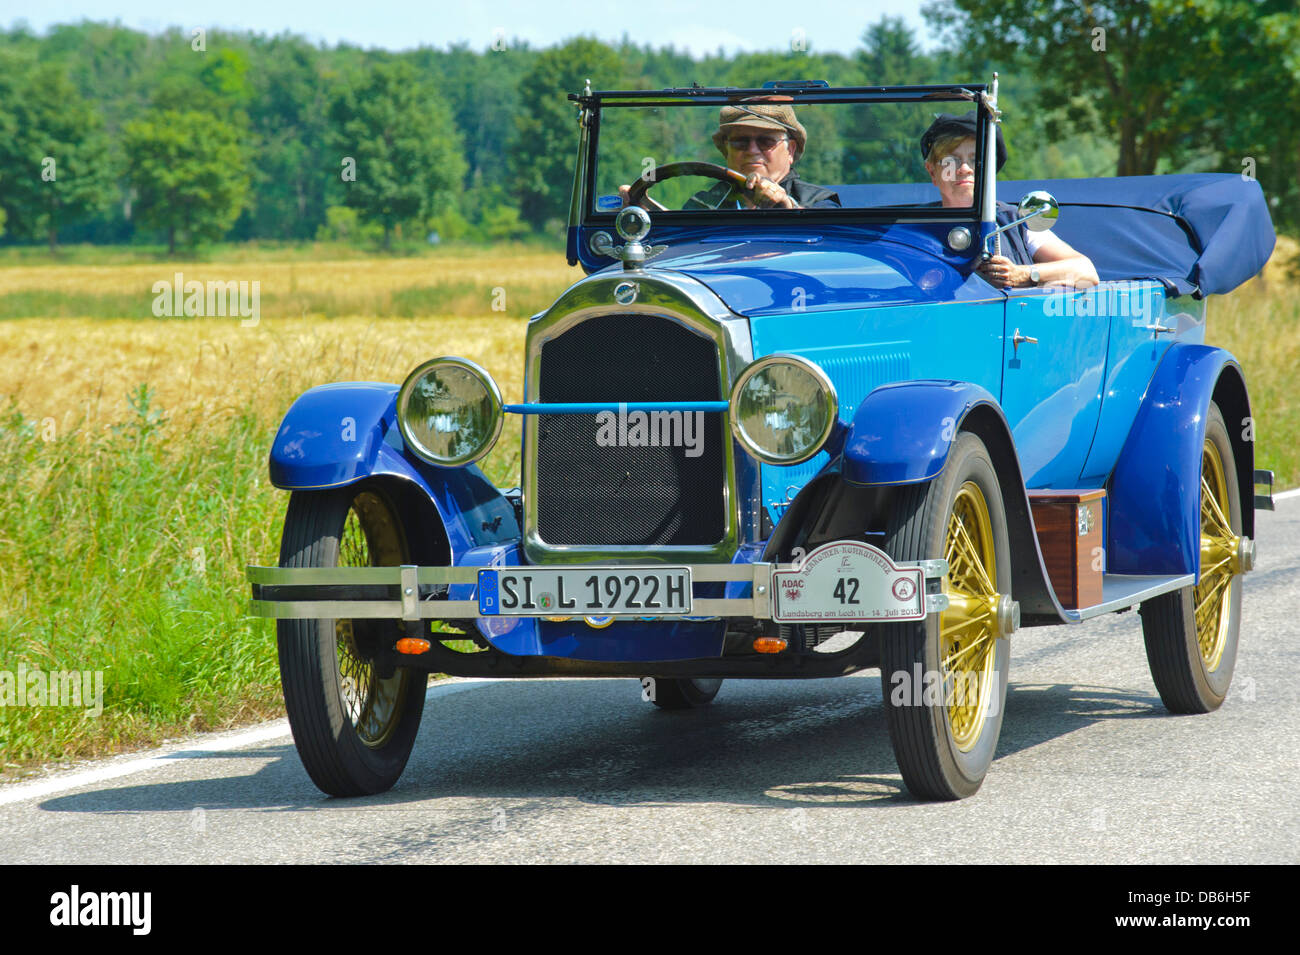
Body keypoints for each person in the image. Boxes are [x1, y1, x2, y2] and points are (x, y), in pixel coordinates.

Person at [920, 112, 1099, 289]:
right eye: (951, 161)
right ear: (932, 172)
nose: (965, 169)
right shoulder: (914, 226)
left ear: (989, 171)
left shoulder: (1015, 222)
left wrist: (1024, 274)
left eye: (976, 160)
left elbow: (1085, 270)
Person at [620, 102, 840, 211]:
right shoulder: (704, 204)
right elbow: (681, 248)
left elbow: (831, 244)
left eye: (765, 141)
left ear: (790, 150)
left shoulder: (819, 203)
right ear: (726, 150)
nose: (752, 150)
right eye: (740, 142)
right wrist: (644, 211)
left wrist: (785, 206)